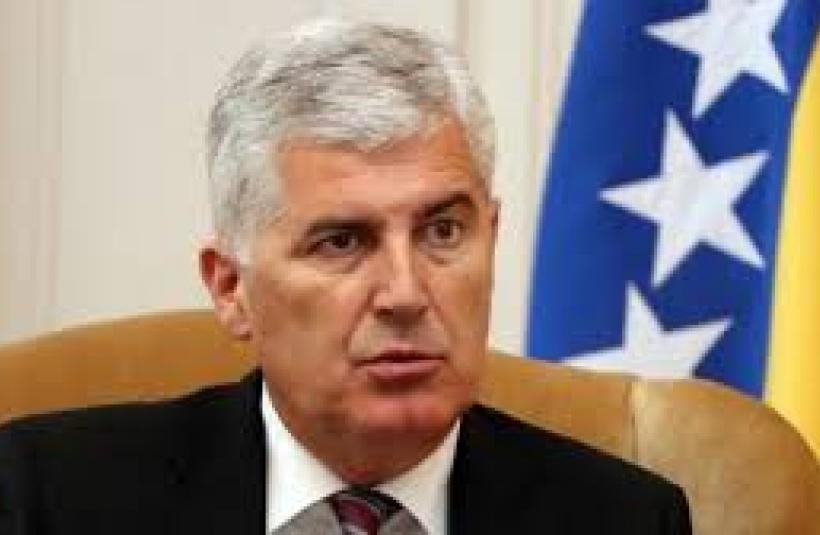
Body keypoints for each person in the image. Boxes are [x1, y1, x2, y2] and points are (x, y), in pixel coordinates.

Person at [0, 19, 692, 534]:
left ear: (493, 236)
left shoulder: (625, 519)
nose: (405, 293)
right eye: (341, 242)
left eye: (442, 232)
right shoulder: (49, 497)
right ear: (231, 288)